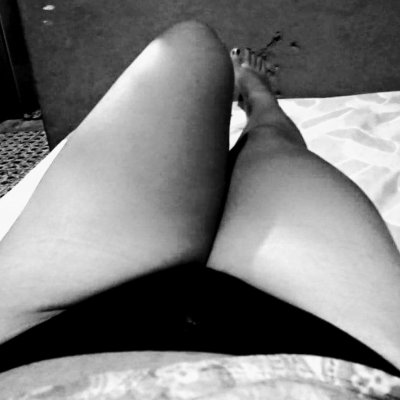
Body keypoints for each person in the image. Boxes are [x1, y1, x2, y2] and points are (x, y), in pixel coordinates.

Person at [0, 19, 400, 395]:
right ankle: (260, 100)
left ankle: (254, 102)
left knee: (189, 49)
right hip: (339, 358)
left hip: (31, 341)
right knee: (269, 141)